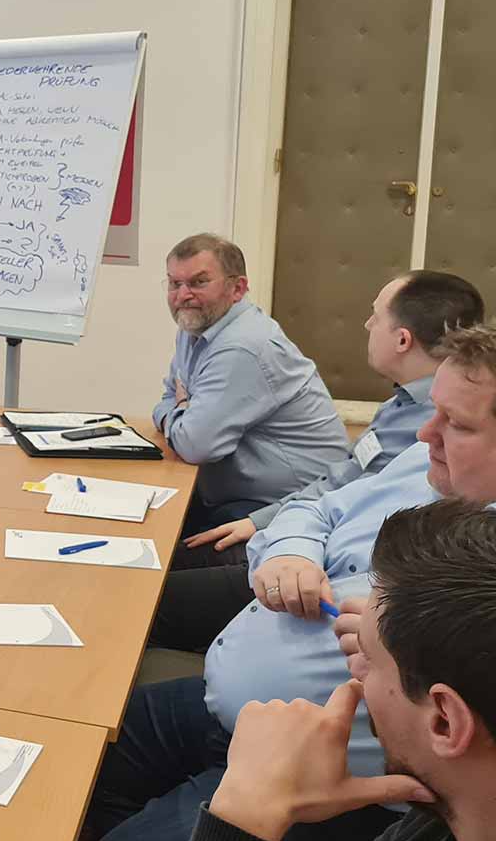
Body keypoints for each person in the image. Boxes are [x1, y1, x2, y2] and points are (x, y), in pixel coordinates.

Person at [78, 322, 496, 841]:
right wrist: (292, 550)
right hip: (242, 706)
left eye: (456, 424)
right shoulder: (425, 464)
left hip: (324, 772)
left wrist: (393, 637)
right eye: (432, 410)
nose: (423, 433)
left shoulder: (472, 581)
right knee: (93, 748)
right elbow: (315, 506)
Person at [114, 499, 496, 841]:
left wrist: (241, 817)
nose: (355, 673)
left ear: (445, 722)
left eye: (369, 659)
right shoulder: (448, 815)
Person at [152, 269, 483, 647]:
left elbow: (196, 441)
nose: (367, 325)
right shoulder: (402, 402)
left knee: (154, 594)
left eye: (376, 317)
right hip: (299, 529)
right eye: (175, 283)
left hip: (318, 560)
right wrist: (264, 525)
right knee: (167, 562)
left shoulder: (428, 433)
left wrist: (269, 529)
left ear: (402, 339)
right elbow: (339, 491)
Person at [153, 233, 351, 532]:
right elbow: (167, 397)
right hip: (238, 492)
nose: (183, 295)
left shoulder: (242, 346)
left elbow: (195, 445)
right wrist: (180, 411)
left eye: (198, 282)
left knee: (169, 544)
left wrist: (181, 406)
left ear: (237, 288)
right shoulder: (193, 327)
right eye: (174, 283)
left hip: (289, 507)